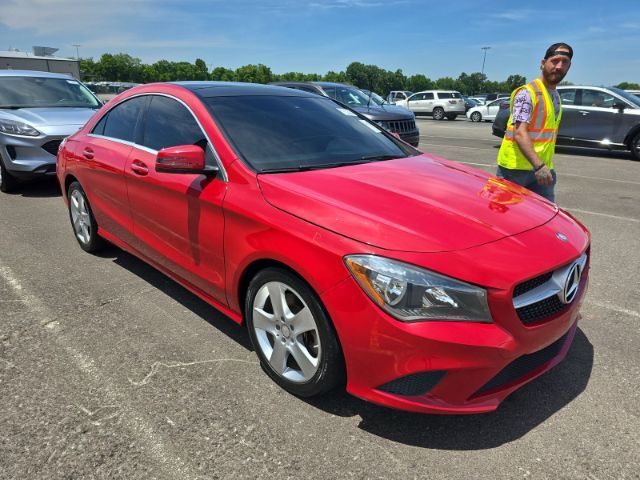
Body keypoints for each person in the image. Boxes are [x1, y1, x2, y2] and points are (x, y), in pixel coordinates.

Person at [496, 43, 573, 203]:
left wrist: (543, 166)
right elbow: (519, 133)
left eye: (564, 62)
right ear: (543, 63)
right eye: (555, 60)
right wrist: (539, 166)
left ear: (569, 67)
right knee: (505, 217)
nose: (559, 66)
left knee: (545, 219)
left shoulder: (555, 96)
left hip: (542, 169)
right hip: (515, 169)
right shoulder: (527, 93)